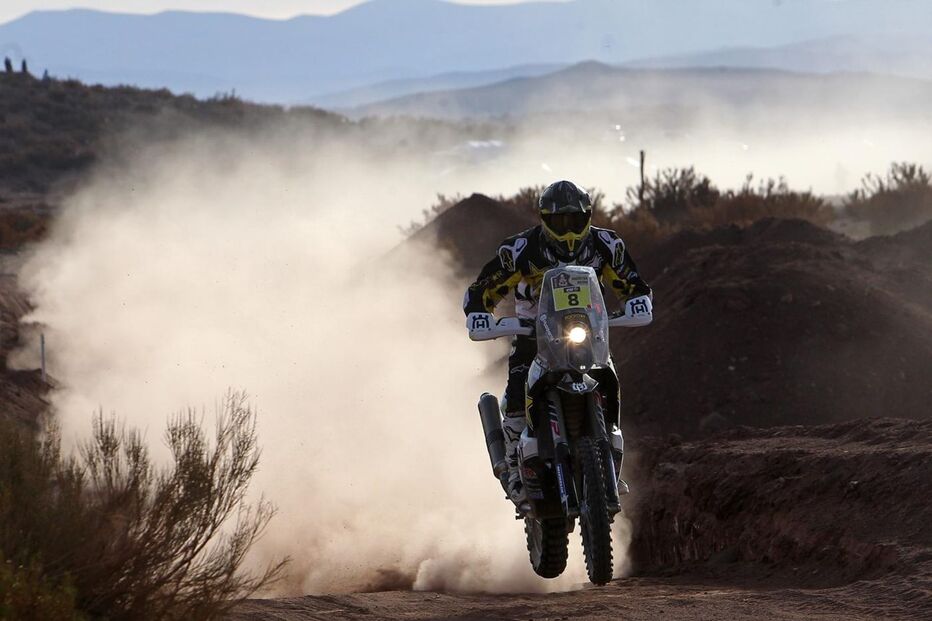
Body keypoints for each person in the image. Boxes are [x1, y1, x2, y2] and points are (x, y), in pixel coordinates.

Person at [463, 180, 652, 507]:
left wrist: (638, 301)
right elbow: (484, 288)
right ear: (544, 218)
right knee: (520, 387)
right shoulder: (521, 248)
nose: (568, 229)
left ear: (588, 217)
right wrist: (479, 314)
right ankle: (512, 465)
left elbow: (631, 282)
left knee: (608, 379)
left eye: (575, 220)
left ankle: (607, 456)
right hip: (535, 333)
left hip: (587, 332)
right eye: (559, 220)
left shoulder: (606, 244)